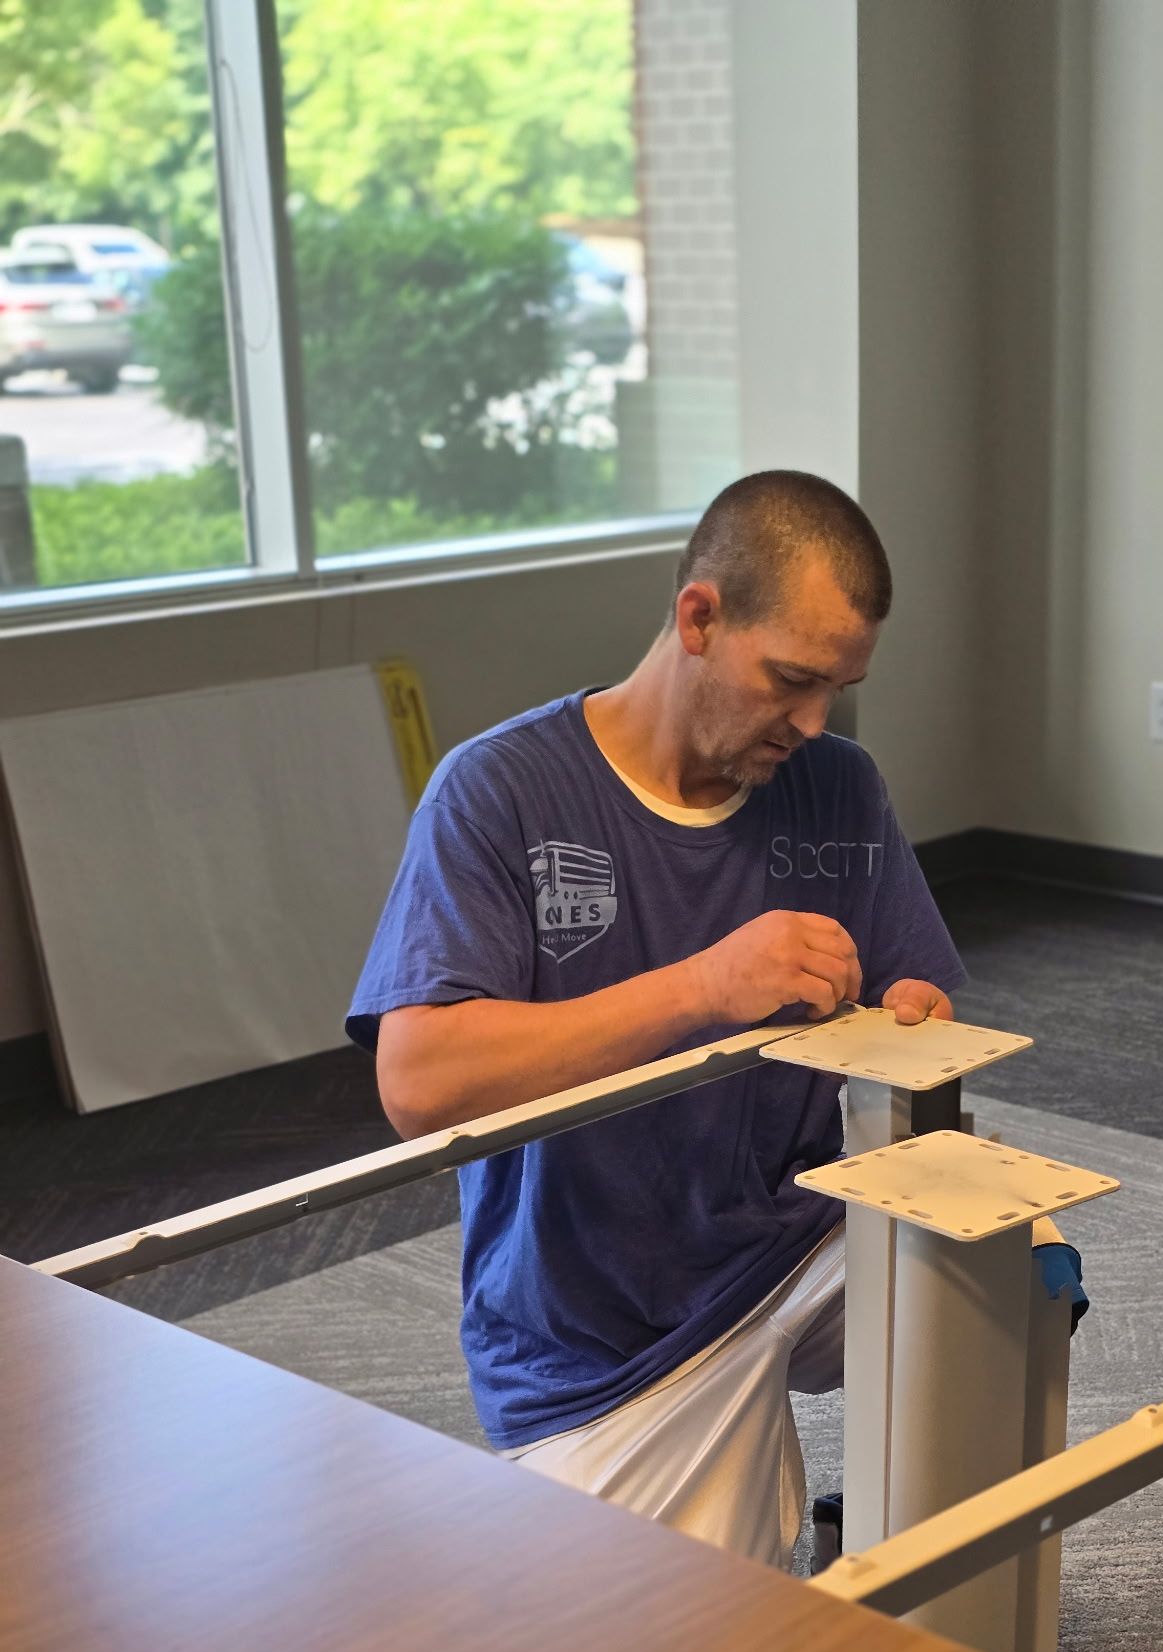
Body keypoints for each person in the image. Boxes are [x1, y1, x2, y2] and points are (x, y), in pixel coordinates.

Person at [348, 471, 971, 1566]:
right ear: (699, 617)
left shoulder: (837, 787)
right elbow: (421, 1081)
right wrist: (703, 986)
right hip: (603, 1326)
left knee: (1012, 1279)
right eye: (791, 679)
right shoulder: (497, 793)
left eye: (840, 687)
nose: (815, 721)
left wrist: (915, 1023)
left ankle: (913, 1577)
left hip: (794, 1235)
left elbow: (919, 1001)